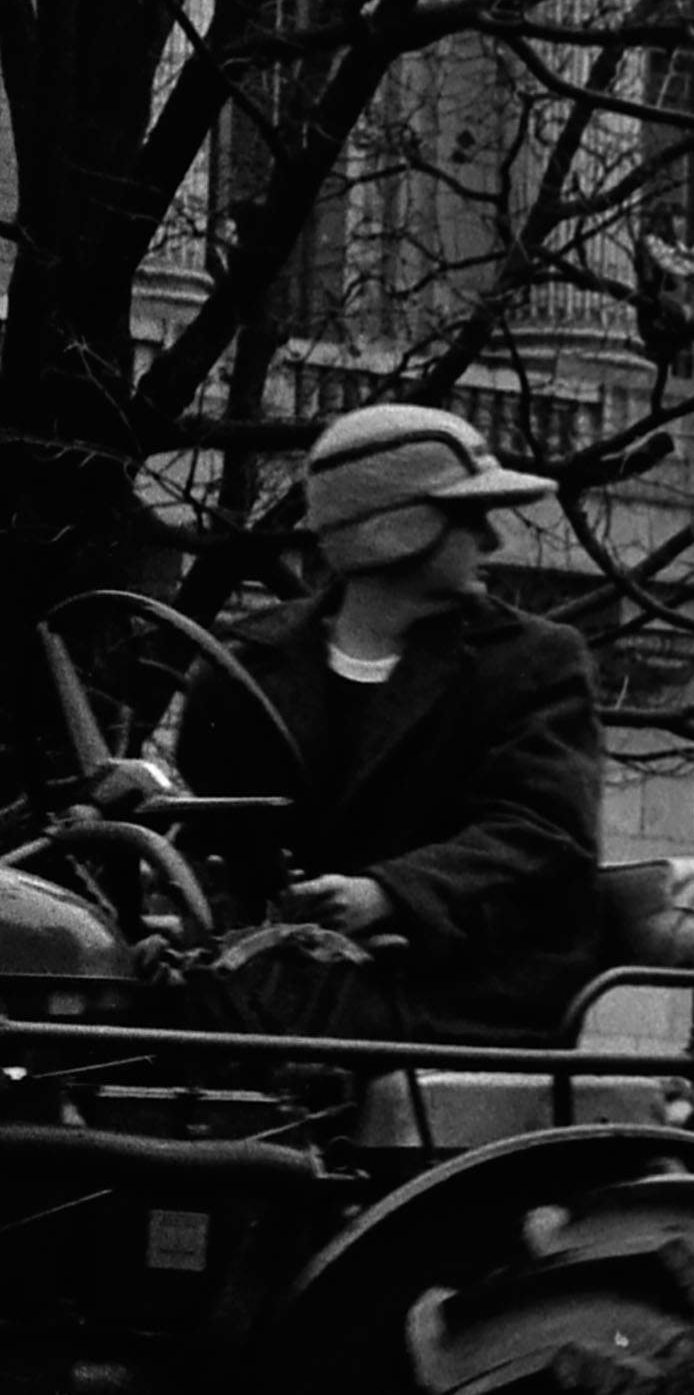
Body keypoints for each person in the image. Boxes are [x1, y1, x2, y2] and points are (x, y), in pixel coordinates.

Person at [161, 401, 613, 1037]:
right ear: (398, 527)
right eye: (469, 516)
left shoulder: (533, 662)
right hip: (277, 979)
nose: (493, 540)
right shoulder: (245, 667)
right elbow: (214, 840)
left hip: (460, 985)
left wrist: (390, 895)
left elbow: (543, 834)